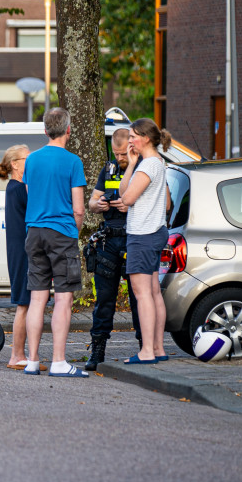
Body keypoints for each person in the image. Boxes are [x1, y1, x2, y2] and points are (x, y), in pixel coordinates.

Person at [22, 107, 88, 378]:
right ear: (68, 130)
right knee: (63, 298)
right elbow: (79, 209)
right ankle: (59, 361)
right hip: (61, 233)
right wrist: (75, 232)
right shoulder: (73, 162)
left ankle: (33, 361)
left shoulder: (32, 160)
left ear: (45, 130)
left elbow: (29, 193)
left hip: (34, 231)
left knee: (37, 298)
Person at [110, 117, 172, 364]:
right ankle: (158, 348)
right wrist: (131, 164)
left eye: (134, 136)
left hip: (143, 234)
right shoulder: (155, 163)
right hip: (154, 231)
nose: (130, 140)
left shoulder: (149, 166)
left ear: (145, 138)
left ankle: (146, 351)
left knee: (142, 292)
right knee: (154, 291)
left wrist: (134, 171)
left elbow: (127, 197)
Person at [83, 128, 140, 370]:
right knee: (104, 299)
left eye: (122, 154)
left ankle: (144, 347)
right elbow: (91, 203)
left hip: (134, 238)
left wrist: (130, 205)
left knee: (139, 298)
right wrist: (100, 204)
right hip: (108, 241)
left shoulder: (142, 168)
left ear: (131, 146)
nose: (119, 159)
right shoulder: (108, 170)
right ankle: (97, 351)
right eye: (116, 154)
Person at [0, 144, 31, 369]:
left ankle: (21, 354)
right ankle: (17, 355)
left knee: (26, 304)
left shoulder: (16, 186)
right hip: (23, 250)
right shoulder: (17, 188)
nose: (32, 161)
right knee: (24, 304)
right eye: (27, 158)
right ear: (15, 164)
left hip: (22, 248)